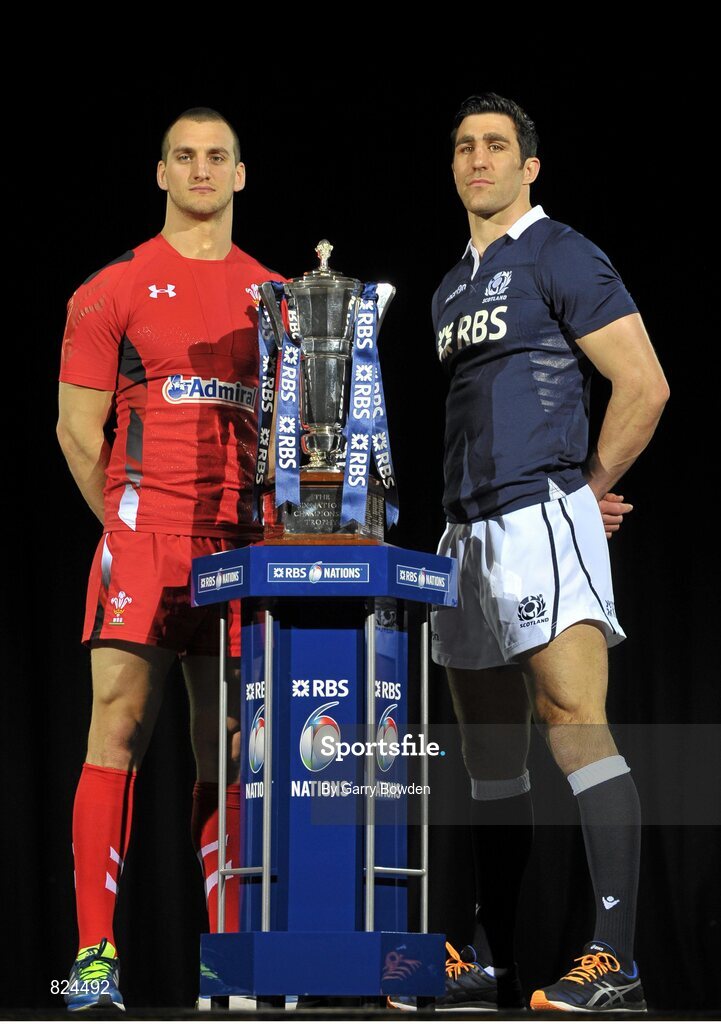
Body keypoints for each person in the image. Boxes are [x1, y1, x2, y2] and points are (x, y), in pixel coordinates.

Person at [429, 93, 668, 1013]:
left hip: (538, 517)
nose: (476, 158)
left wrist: (582, 489)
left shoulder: (559, 250)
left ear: (529, 165)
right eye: (462, 146)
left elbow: (642, 384)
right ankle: (486, 957)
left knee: (572, 721)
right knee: (491, 756)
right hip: (464, 531)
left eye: (494, 146)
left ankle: (616, 959)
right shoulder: (451, 284)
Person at [57, 107, 284, 1012]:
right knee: (115, 729)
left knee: (232, 750)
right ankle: (94, 959)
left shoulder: (274, 292)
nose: (200, 170)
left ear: (239, 175)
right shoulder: (111, 286)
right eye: (183, 157)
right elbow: (77, 431)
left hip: (241, 547)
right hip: (144, 540)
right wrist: (123, 527)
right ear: (161, 173)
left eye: (216, 157)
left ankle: (229, 965)